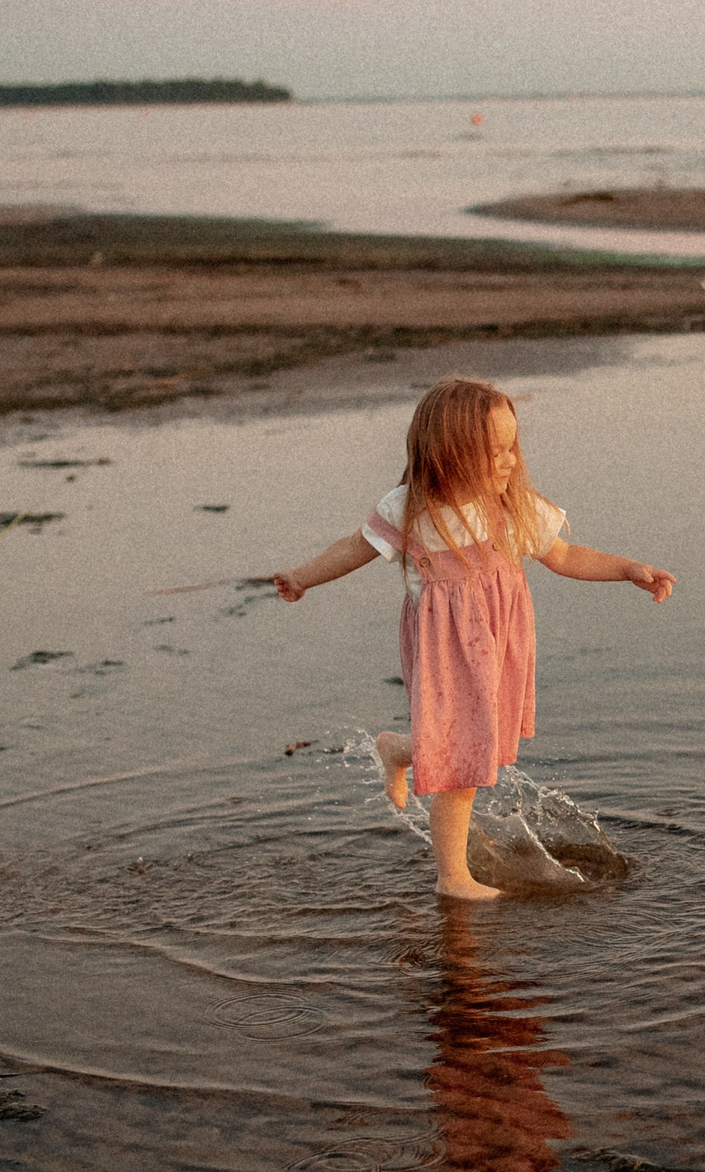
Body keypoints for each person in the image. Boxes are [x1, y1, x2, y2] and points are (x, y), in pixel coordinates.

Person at [272, 378, 675, 900]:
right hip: (446, 652)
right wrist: (304, 576)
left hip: (499, 647)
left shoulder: (510, 507)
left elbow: (566, 556)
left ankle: (400, 749)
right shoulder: (410, 509)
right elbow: (352, 548)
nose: (508, 461)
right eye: (494, 451)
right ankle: (452, 879)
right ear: (449, 454)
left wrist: (628, 570)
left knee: (468, 747)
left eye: (512, 447)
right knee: (463, 765)